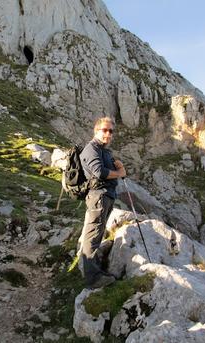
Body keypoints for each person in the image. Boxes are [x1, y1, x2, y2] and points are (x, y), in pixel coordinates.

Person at [80, 117, 126, 288]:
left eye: (111, 131)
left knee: (98, 235)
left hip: (106, 196)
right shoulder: (91, 149)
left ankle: (97, 271)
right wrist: (120, 173)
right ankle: (93, 279)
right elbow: (99, 172)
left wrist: (118, 166)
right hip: (98, 197)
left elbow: (109, 170)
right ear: (96, 130)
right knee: (92, 236)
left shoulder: (104, 151)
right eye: (104, 130)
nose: (108, 133)